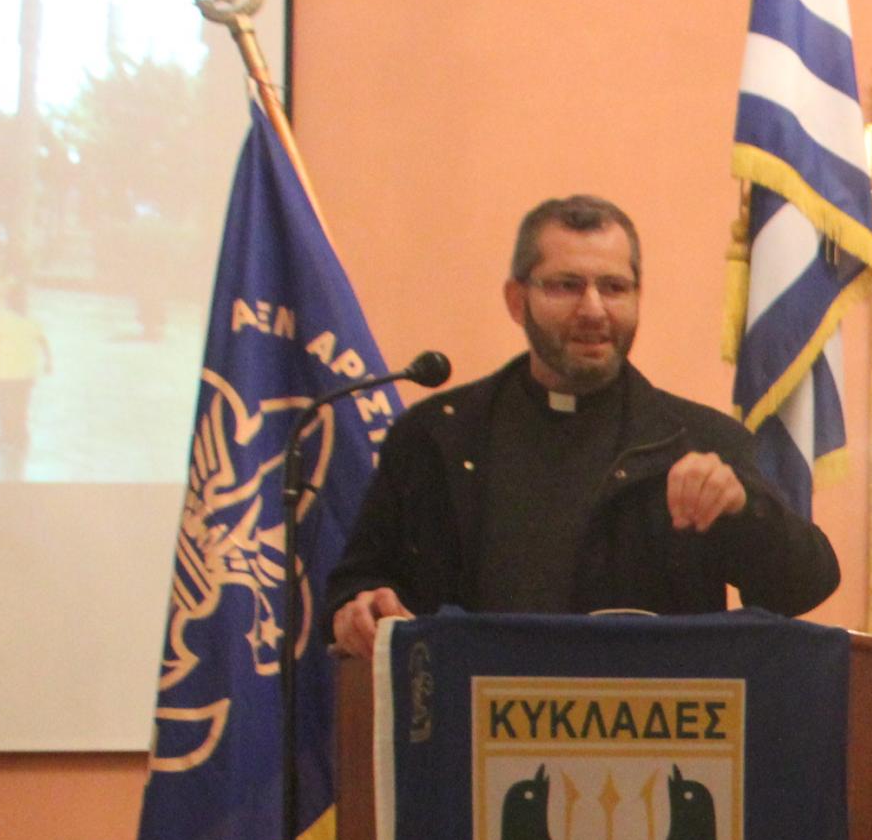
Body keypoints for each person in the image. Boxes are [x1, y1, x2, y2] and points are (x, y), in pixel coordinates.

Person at [329, 194, 839, 656]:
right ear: (516, 300)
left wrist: (744, 510)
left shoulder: (700, 441)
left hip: (649, 723)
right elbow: (358, 581)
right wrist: (360, 607)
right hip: (466, 716)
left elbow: (804, 586)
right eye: (567, 286)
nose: (593, 309)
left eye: (614, 288)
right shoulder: (436, 437)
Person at [0, 285, 48, 467]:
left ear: (9, 302)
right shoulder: (32, 321)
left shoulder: (0, 319)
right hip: (26, 372)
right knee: (21, 405)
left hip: (5, 371)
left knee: (4, 406)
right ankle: (21, 437)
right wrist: (49, 361)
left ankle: (7, 438)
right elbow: (43, 341)